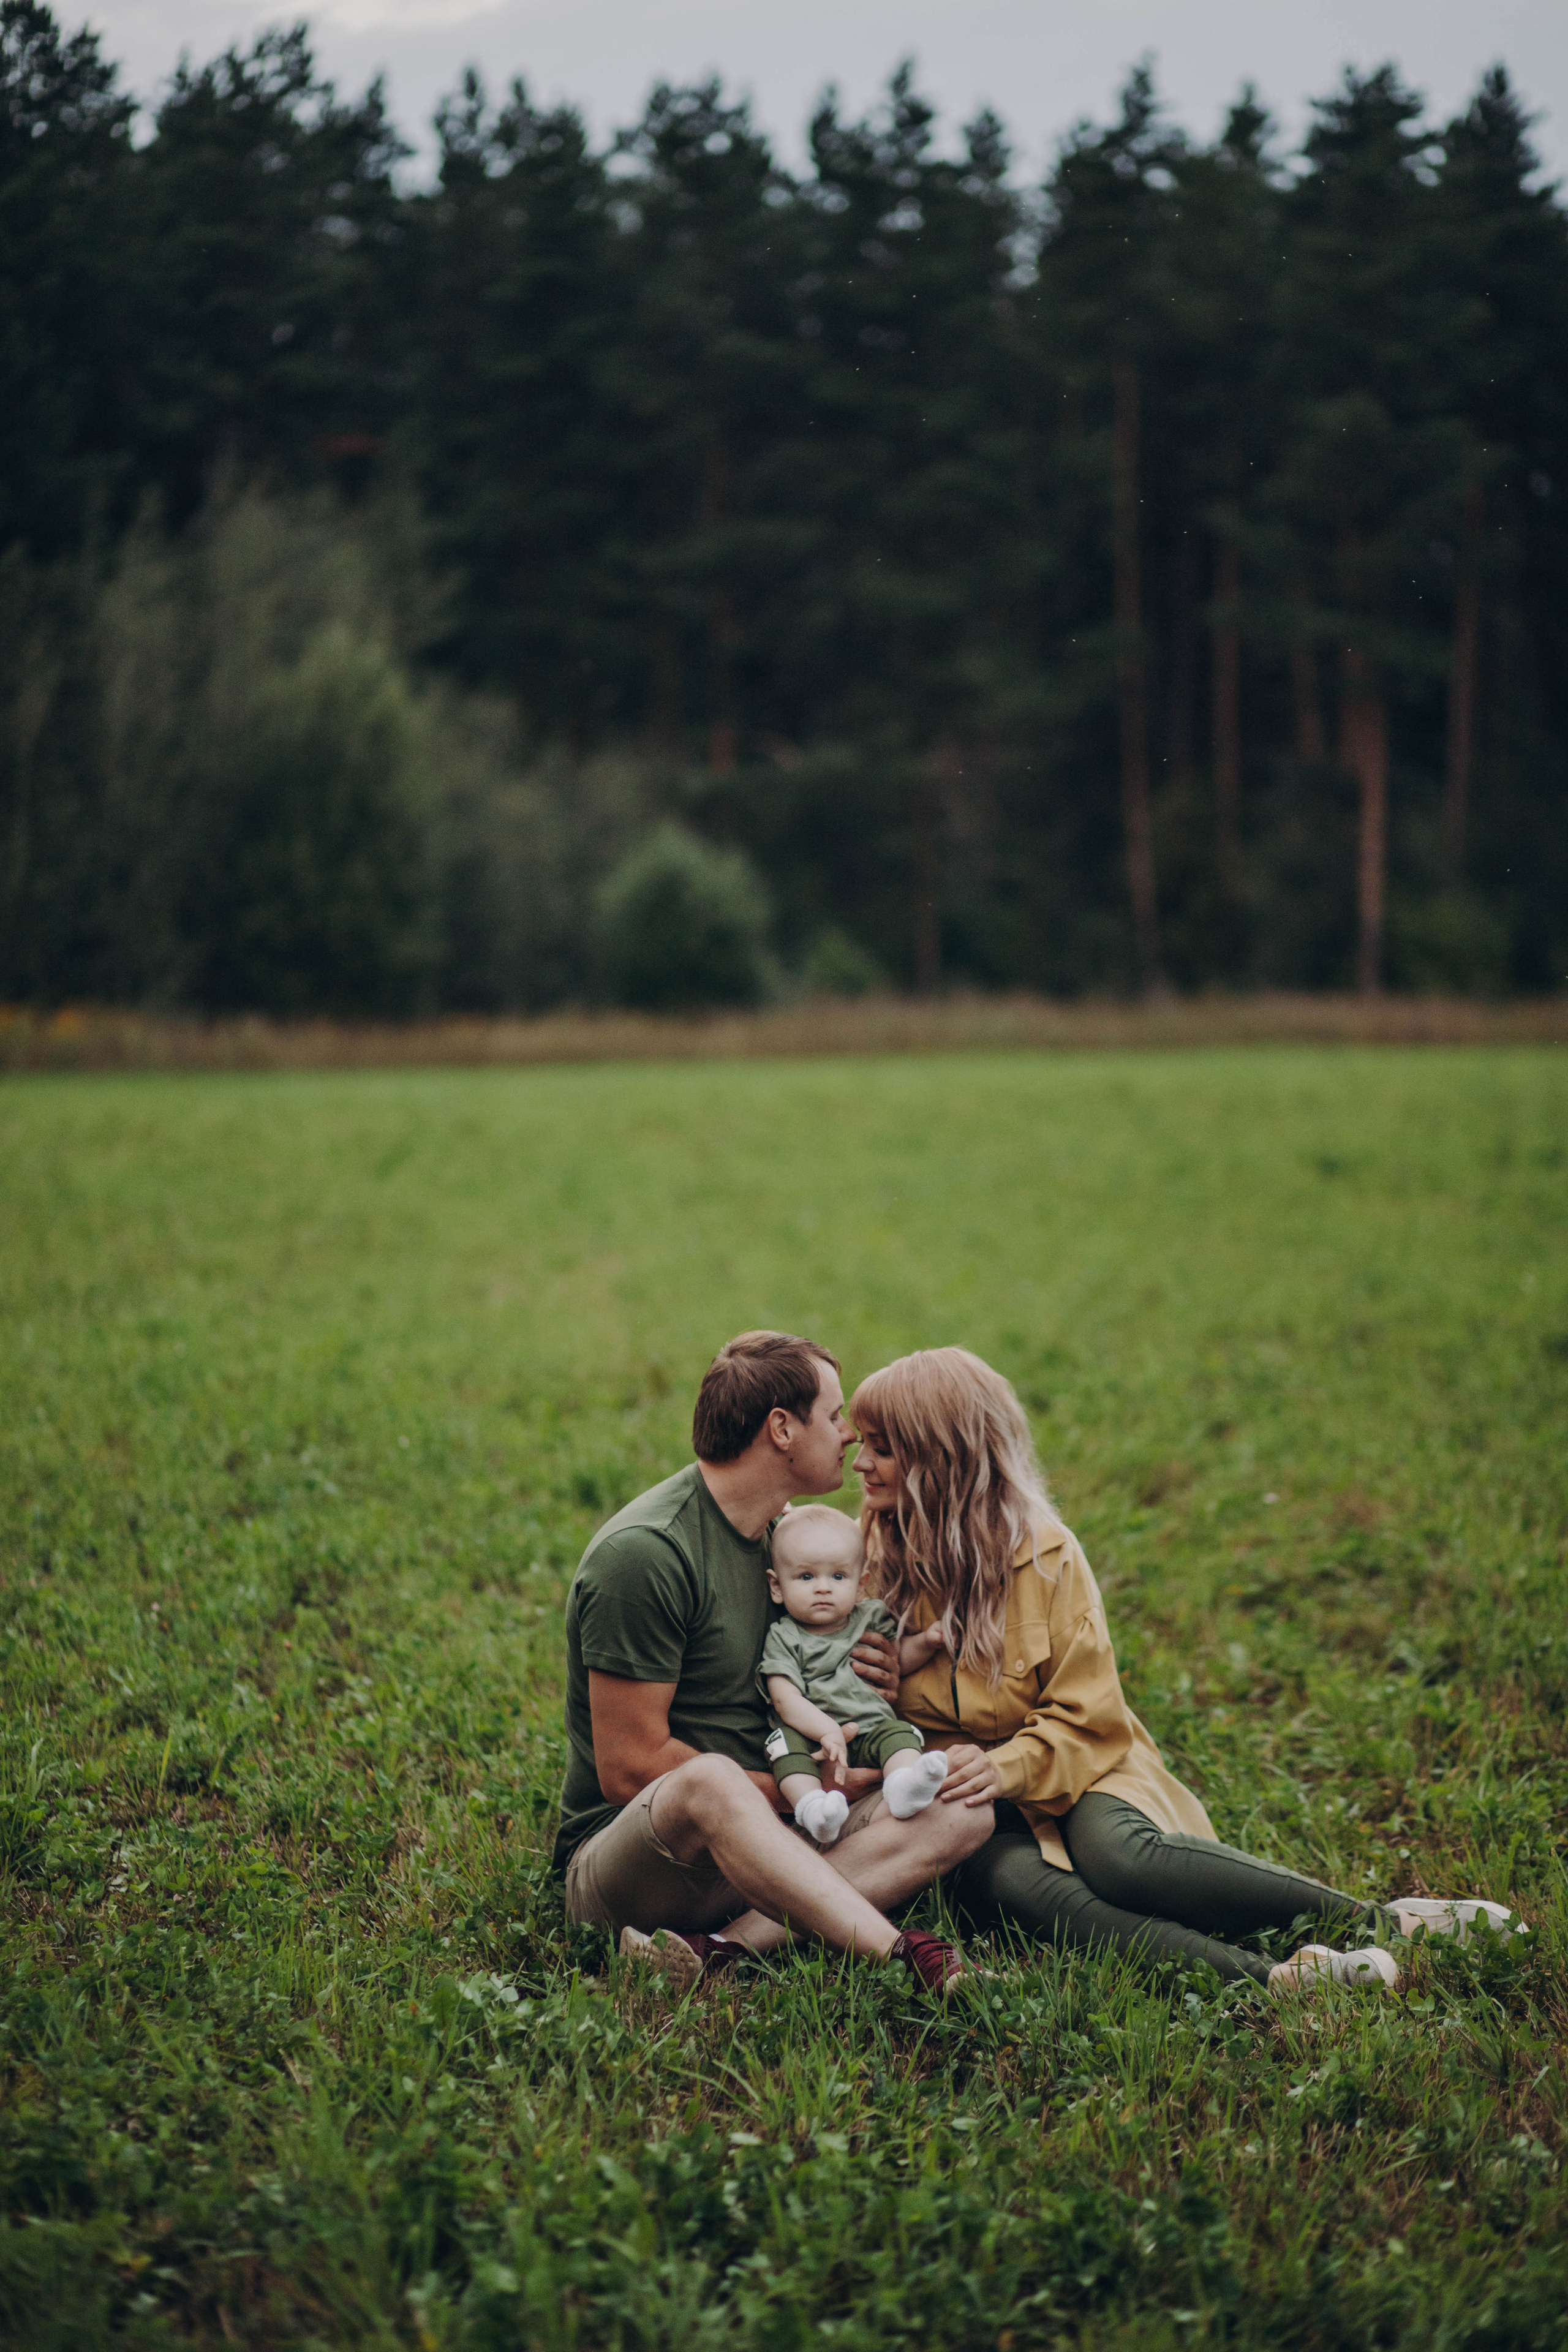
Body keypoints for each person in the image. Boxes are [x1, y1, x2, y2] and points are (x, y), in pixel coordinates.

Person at [845, 1348, 1520, 1992]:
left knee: (1122, 1859)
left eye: (882, 1447)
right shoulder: (862, 1566)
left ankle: (1386, 1923)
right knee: (1024, 1892)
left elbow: (1087, 1715)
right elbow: (843, 1705)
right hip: (964, 1805)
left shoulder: (1044, 1555)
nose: (861, 1463)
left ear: (943, 1456)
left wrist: (1005, 1766)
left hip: (1080, 1764)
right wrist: (871, 1690)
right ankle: (1284, 1984)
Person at [552, 1330, 993, 1992]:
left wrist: (872, 1676)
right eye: (835, 1416)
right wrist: (816, 1790)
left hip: (778, 1826)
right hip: (640, 1865)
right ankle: (905, 1955)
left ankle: (718, 1950)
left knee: (962, 1809)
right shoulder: (645, 1557)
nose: (848, 1435)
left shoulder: (789, 1542)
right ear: (782, 1429)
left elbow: (816, 1664)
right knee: (713, 1780)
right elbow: (630, 1769)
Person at [760, 1504, 949, 1844]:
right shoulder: (785, 1636)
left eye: (838, 1577)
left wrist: (927, 1642)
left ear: (861, 1585)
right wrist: (827, 1730)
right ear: (777, 1587)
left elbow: (896, 1660)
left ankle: (904, 1786)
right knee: (784, 1750)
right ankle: (813, 1808)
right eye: (806, 1577)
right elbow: (785, 1698)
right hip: (811, 1738)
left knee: (902, 1735)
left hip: (871, 1728)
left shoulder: (870, 1618)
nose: (823, 1588)